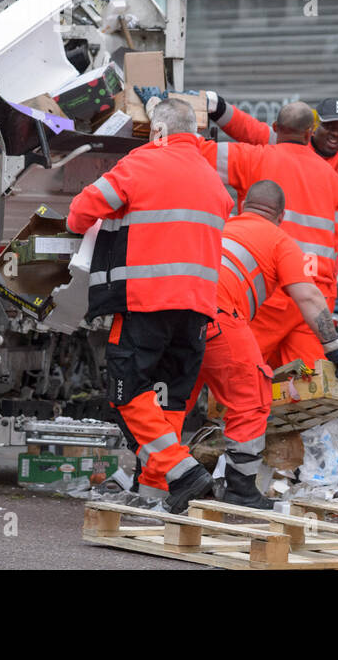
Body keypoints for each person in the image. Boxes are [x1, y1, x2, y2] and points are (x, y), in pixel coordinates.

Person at [67, 97, 232, 514]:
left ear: (158, 132)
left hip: (146, 302)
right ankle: (161, 488)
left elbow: (79, 213)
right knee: (168, 396)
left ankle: (182, 470)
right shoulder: (215, 182)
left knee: (127, 391)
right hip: (196, 309)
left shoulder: (141, 163)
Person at [150, 181, 338, 508]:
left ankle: (163, 482)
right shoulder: (279, 240)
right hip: (217, 312)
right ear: (281, 215)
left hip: (176, 310)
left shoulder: (221, 227)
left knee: (172, 399)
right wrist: (334, 347)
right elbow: (309, 296)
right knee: (252, 393)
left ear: (243, 206)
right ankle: (241, 488)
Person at [200, 101, 338, 376]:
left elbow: (195, 155)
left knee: (241, 373)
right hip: (313, 296)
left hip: (267, 290)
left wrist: (165, 120)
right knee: (307, 385)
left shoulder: (252, 158)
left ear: (274, 129)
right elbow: (335, 245)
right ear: (310, 134)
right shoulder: (335, 182)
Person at [199, 91, 338, 201]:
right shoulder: (288, 139)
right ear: (312, 129)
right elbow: (249, 129)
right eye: (329, 126)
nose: (335, 133)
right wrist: (217, 106)